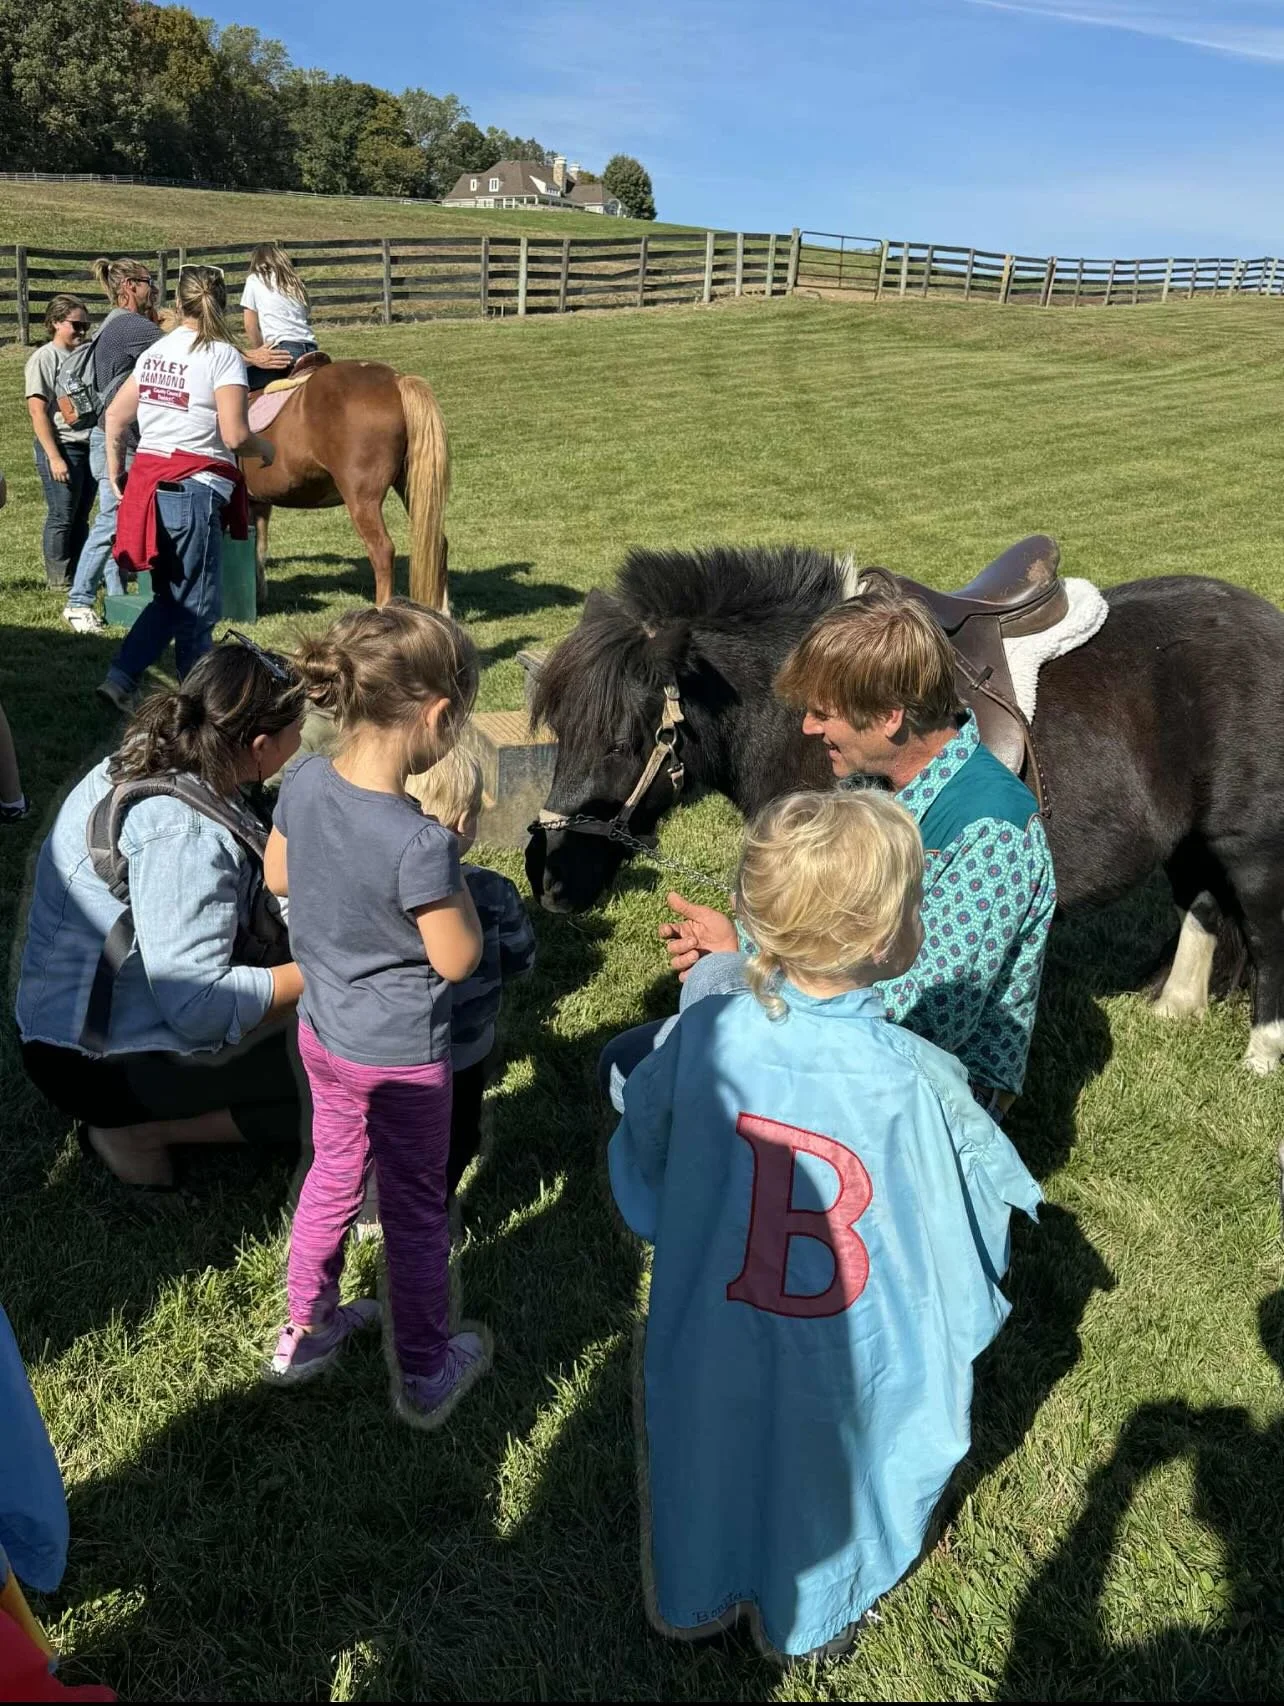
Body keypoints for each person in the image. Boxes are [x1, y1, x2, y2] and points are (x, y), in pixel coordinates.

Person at [607, 788, 1042, 1662]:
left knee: (715, 1436)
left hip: (719, 1316)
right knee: (835, 1460)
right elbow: (970, 1226)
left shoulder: (702, 1037)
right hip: (852, 1340)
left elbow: (645, 1142)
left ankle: (709, 1587)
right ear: (886, 940)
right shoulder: (920, 1080)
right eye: (916, 902)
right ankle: (820, 1615)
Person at [602, 591, 1057, 1120]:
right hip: (843, 1034)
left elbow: (924, 1019)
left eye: (823, 712)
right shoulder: (873, 782)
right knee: (629, 1065)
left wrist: (745, 973)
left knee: (648, 1084)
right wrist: (740, 940)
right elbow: (822, 919)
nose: (808, 728)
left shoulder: (990, 828)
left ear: (890, 716)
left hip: (928, 1088)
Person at [264, 601, 491, 1428]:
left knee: (331, 1171)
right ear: (437, 715)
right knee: (413, 1210)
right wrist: (450, 868)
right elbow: (457, 958)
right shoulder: (419, 843)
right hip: (401, 1061)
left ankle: (307, 1325)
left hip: (323, 1032)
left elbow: (280, 878)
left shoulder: (303, 780)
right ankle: (427, 1368)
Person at [15, 639, 308, 1189]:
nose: (303, 743)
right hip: (91, 1062)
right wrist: (320, 975)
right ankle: (138, 1133)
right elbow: (197, 1004)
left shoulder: (166, 753)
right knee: (350, 1070)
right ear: (263, 746)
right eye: (299, 732)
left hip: (83, 1027)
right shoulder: (182, 833)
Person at [95, 266, 277, 713]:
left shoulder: (157, 351)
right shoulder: (221, 355)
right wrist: (264, 446)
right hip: (194, 486)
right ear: (224, 302)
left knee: (170, 597)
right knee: (197, 606)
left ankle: (121, 677)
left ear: (178, 303)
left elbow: (115, 417)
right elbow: (234, 435)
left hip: (151, 483)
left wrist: (117, 473)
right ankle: (198, 706)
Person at [408, 747, 536, 1198]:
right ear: (464, 823)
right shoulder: (494, 891)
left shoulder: (382, 888)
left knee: (386, 1129)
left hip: (394, 1047)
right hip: (465, 1045)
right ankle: (437, 1204)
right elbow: (522, 960)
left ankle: (372, 1208)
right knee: (459, 1132)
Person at [61, 258, 162, 633]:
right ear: (131, 286)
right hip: (120, 440)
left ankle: (113, 594)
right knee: (110, 522)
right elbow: (183, 354)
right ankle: (79, 601)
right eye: (149, 282)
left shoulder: (112, 324)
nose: (153, 289)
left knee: (112, 520)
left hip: (113, 437)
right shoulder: (133, 326)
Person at [24, 295, 96, 592]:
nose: (81, 331)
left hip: (88, 445)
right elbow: (37, 410)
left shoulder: (85, 356)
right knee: (62, 515)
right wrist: (54, 457)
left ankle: (78, 573)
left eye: (85, 326)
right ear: (55, 322)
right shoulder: (45, 358)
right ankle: (58, 580)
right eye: (75, 325)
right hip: (61, 446)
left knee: (81, 515)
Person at [240, 243, 318, 392]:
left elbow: (250, 325)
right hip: (311, 349)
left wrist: (259, 351)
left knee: (237, 382)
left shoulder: (254, 279)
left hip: (283, 350)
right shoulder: (296, 283)